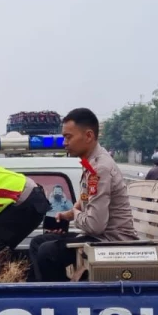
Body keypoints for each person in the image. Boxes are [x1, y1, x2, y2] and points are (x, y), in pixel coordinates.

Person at [28, 108, 138, 282]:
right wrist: (67, 215)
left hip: (111, 241)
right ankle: (46, 295)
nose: (64, 142)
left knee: (47, 252)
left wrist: (76, 214)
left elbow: (95, 226)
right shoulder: (90, 163)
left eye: (68, 137)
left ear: (88, 136)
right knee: (38, 243)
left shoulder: (99, 168)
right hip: (99, 237)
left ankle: (61, 300)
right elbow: (86, 200)